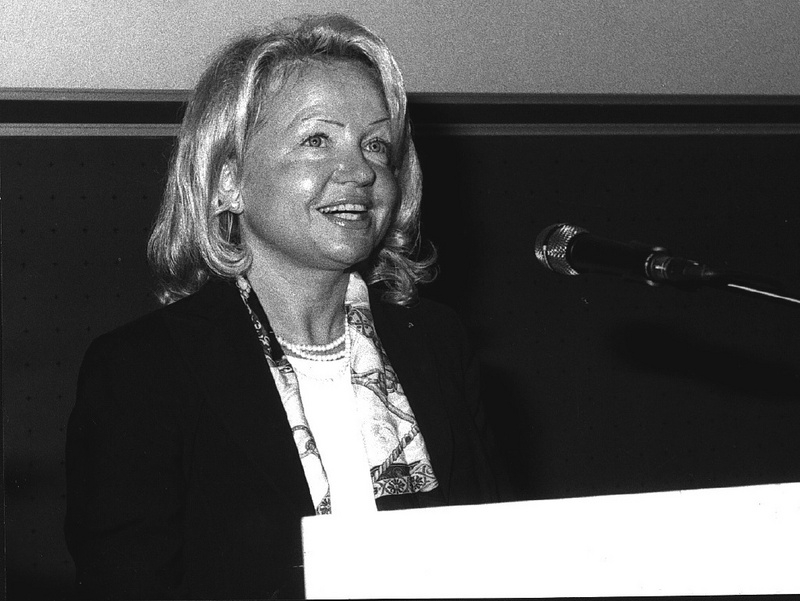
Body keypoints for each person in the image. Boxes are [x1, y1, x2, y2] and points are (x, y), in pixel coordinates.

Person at [65, 13, 504, 600]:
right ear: (228, 181)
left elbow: (497, 557)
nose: (359, 171)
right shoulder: (143, 370)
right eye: (316, 139)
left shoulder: (438, 343)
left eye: (377, 144)